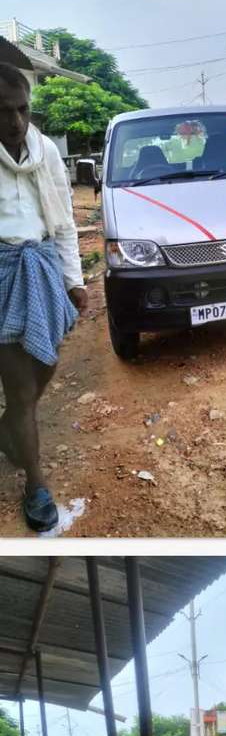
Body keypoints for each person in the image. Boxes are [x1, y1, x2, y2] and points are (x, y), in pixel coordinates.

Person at [0, 63, 87, 532]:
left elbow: (64, 219)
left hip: (43, 267)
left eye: (22, 109)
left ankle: (9, 427)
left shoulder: (45, 149)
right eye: (4, 111)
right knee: (19, 386)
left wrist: (75, 282)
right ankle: (35, 483)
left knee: (45, 366)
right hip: (1, 274)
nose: (15, 122)